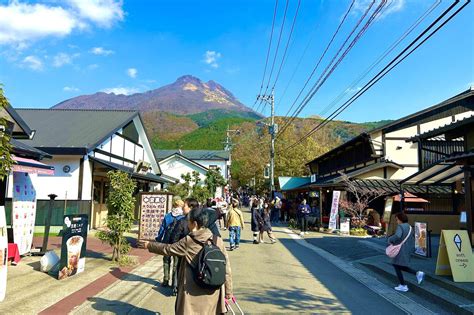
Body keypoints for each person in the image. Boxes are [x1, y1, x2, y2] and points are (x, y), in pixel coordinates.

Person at [146, 207, 233, 314]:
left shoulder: (189, 241)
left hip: (191, 291)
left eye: (189, 221)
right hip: (213, 291)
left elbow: (168, 249)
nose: (187, 224)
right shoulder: (217, 240)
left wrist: (149, 245)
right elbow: (226, 268)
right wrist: (228, 292)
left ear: (195, 224)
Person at [388, 212, 424, 292]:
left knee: (396, 265)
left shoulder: (400, 226)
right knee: (400, 265)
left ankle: (403, 285)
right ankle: (417, 273)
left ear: (400, 219)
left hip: (400, 249)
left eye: (397, 219)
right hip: (407, 249)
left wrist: (390, 240)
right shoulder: (410, 227)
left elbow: (397, 236)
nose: (397, 221)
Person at [155, 198, 185, 288]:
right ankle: (174, 282)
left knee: (166, 261)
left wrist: (159, 239)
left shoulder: (168, 216)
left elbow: (162, 229)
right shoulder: (183, 217)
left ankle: (165, 280)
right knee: (176, 263)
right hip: (177, 243)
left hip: (167, 242)